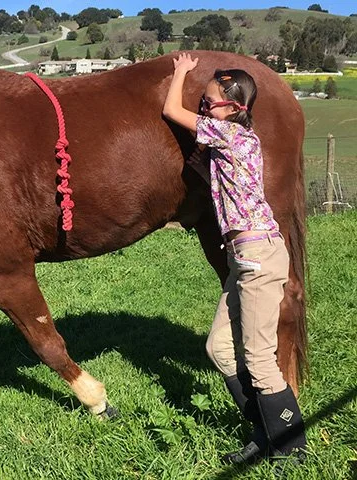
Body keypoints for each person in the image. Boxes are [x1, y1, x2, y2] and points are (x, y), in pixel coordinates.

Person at [162, 53, 307, 470]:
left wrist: (180, 73)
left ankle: (293, 450)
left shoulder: (231, 134)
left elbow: (172, 112)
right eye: (204, 103)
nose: (205, 108)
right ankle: (265, 435)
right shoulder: (232, 140)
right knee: (220, 349)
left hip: (258, 257)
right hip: (244, 258)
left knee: (260, 360)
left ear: (233, 107)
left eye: (209, 103)